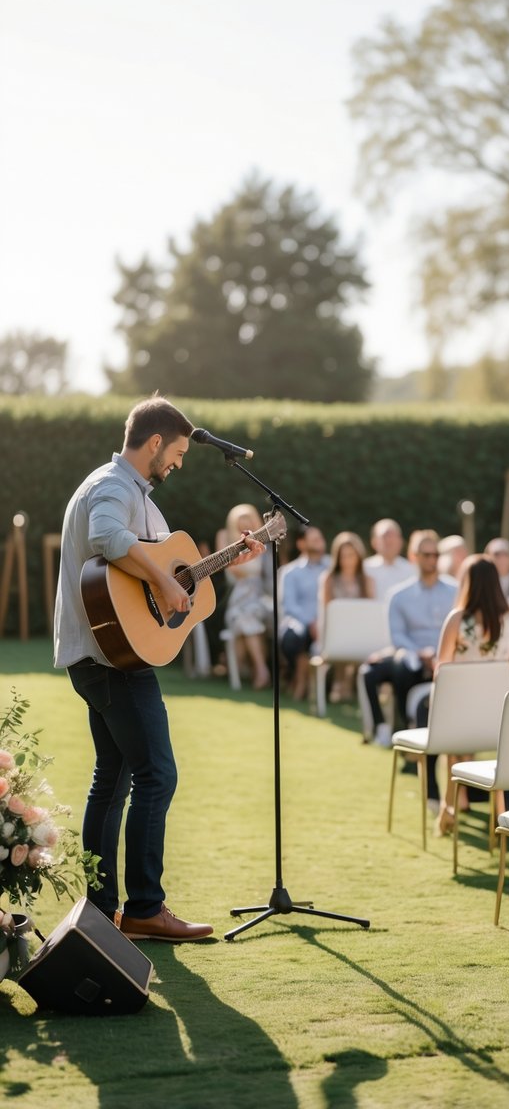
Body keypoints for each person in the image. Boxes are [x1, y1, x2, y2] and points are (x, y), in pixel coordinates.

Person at [53, 395, 266, 941]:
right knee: (157, 774)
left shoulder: (134, 493)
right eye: (175, 453)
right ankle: (145, 907)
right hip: (112, 657)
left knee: (114, 777)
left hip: (105, 654)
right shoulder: (114, 486)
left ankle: (101, 910)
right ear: (154, 443)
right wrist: (166, 580)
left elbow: (166, 570)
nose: (177, 463)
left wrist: (215, 565)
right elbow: (108, 539)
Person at [433, 554, 509, 833]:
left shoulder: (458, 619)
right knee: (460, 720)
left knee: (450, 716)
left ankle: (452, 803)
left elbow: (442, 669)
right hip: (500, 715)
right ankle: (475, 803)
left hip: (461, 714)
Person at [359, 530, 456, 746]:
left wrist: (439, 655)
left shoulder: (455, 590)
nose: (432, 560)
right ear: (414, 556)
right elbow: (398, 636)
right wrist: (421, 653)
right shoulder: (398, 595)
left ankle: (410, 733)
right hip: (413, 656)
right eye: (426, 554)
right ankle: (388, 727)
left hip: (446, 658)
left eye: (436, 555)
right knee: (379, 669)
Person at [219, 502, 273, 690]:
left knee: (245, 618)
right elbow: (230, 570)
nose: (243, 524)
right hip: (239, 596)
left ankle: (244, 668)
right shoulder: (225, 539)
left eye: (247, 520)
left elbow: (267, 578)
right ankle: (261, 669)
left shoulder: (264, 544)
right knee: (244, 617)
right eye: (239, 521)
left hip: (259, 598)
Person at [318, 530, 375, 700]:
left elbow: (370, 612)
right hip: (335, 631)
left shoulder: (367, 580)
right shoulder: (329, 578)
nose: (348, 560)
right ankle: (340, 682)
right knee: (341, 643)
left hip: (359, 631)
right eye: (344, 556)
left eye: (351, 555)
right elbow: (327, 611)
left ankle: (348, 684)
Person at [278, 525, 328, 698]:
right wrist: (311, 622)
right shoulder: (290, 572)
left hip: (328, 623)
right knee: (293, 638)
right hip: (301, 622)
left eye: (320, 539)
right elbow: (289, 606)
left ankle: (302, 683)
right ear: (301, 544)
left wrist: (321, 623)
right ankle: (301, 679)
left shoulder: (331, 567)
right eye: (314, 540)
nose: (319, 543)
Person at [363, 518, 414, 600]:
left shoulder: (412, 570)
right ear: (374, 541)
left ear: (400, 541)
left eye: (393, 536)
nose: (389, 540)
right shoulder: (364, 569)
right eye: (385, 536)